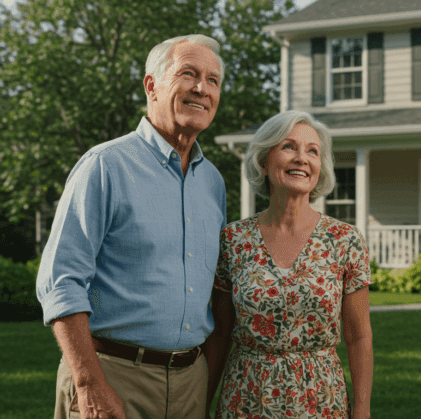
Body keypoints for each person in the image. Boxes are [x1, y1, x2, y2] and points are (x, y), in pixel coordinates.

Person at [36, 34, 227, 419]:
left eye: (213, 80)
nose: (201, 89)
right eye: (188, 74)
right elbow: (61, 280)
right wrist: (89, 383)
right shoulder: (105, 166)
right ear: (151, 85)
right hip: (112, 375)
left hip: (191, 380)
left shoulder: (213, 182)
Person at [206, 111, 373, 419]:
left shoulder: (345, 240)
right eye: (288, 147)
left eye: (312, 151)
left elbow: (358, 334)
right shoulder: (233, 240)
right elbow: (219, 333)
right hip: (246, 398)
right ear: (263, 161)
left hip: (321, 400)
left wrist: (362, 409)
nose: (302, 158)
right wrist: (201, 404)